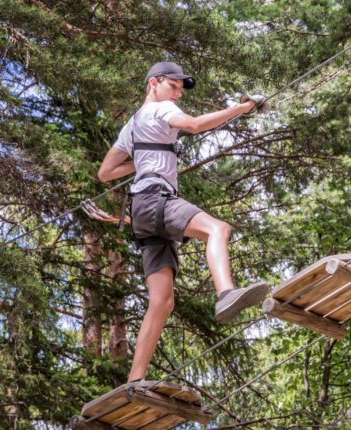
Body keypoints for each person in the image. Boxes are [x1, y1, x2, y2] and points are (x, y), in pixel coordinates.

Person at [97, 61, 270, 383]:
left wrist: (145, 160)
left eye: (179, 88)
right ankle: (226, 294)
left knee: (162, 302)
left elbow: (105, 172)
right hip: (155, 200)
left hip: (141, 216)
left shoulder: (132, 125)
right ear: (154, 83)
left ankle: (135, 379)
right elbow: (193, 125)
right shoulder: (160, 109)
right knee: (218, 229)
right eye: (173, 86)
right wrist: (243, 107)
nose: (177, 94)